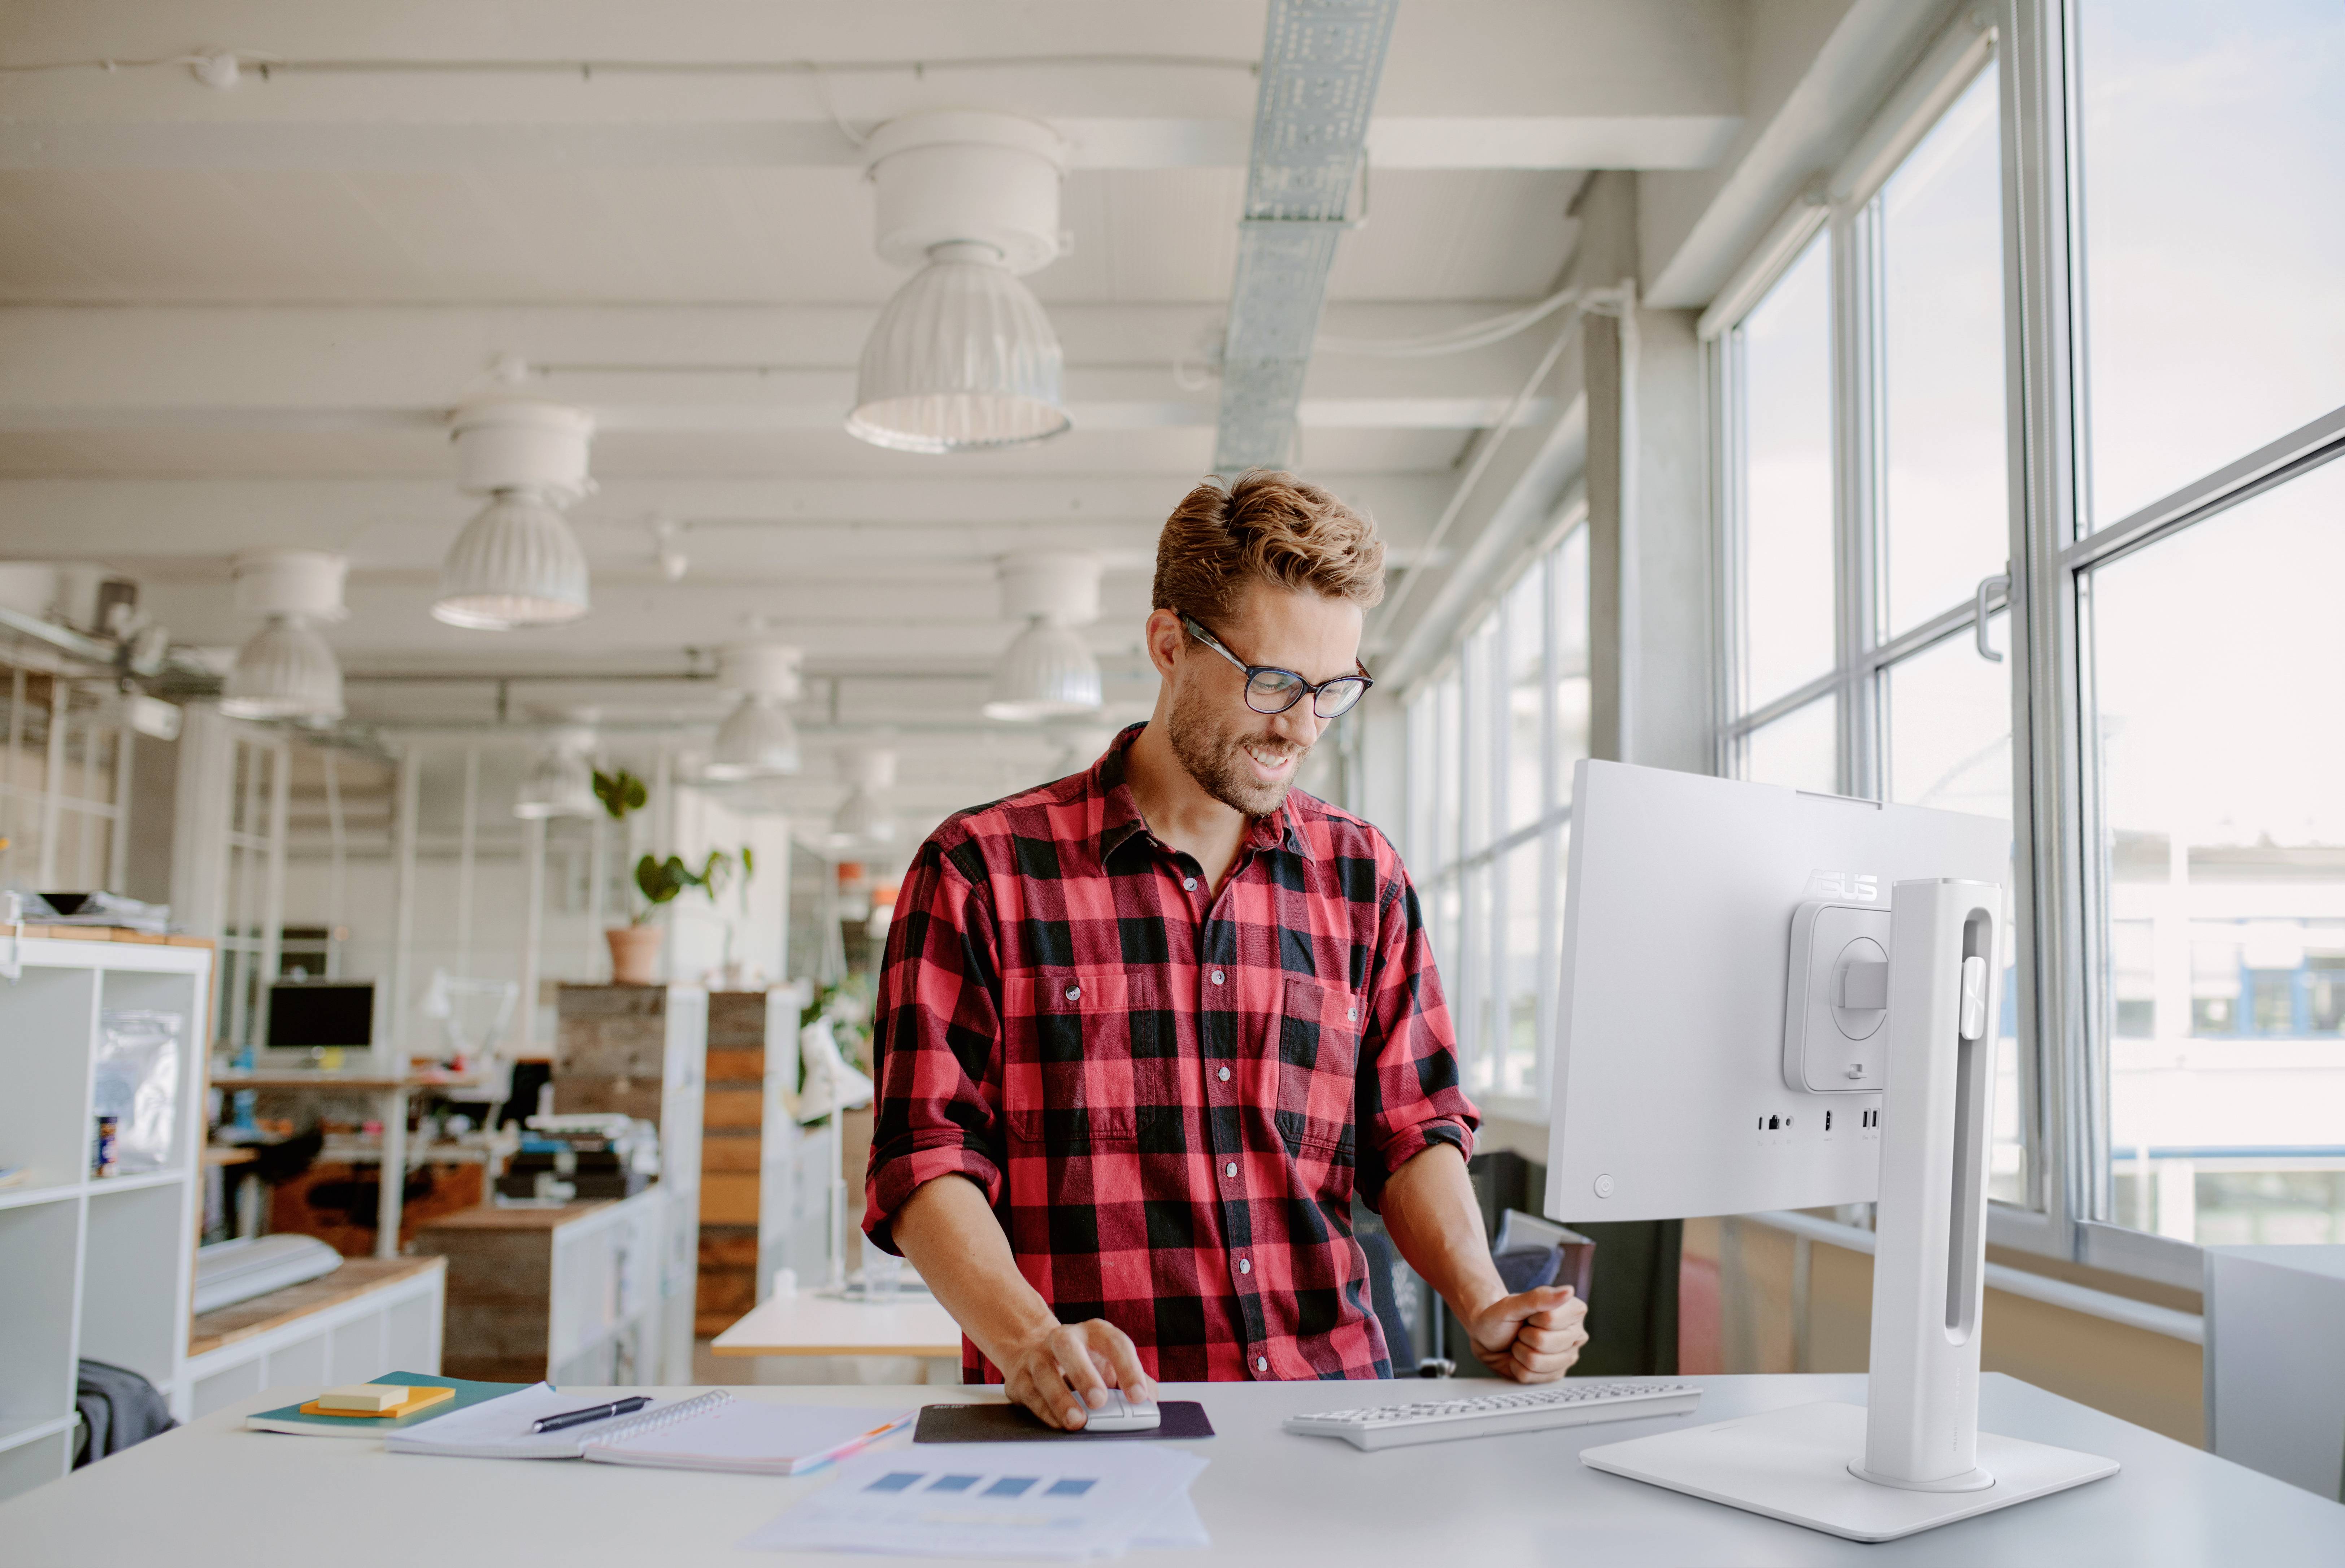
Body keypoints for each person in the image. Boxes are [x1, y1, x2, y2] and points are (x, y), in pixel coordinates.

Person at [863, 470, 1590, 1428]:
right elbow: (926, 1157)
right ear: (1168, 644)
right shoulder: (981, 872)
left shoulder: (1363, 876)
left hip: (1332, 1420)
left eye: (1333, 689)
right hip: (1093, 1426)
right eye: (1274, 680)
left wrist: (1481, 1297)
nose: (1299, 725)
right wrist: (1029, 1337)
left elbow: (1413, 1128)